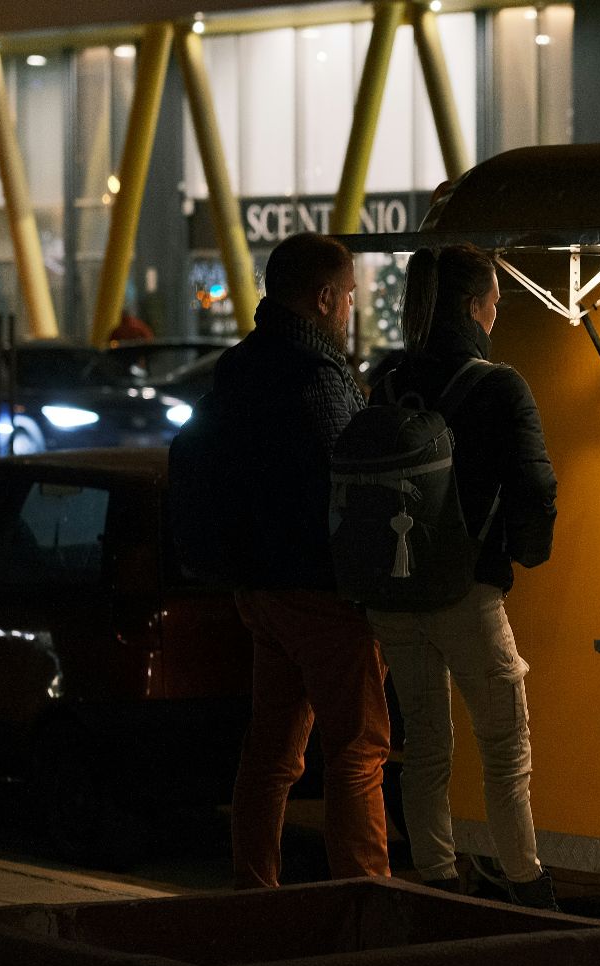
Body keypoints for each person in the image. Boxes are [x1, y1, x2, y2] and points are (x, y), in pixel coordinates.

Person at [366, 244, 560, 909]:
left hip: (393, 592)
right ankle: (528, 887)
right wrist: (527, 554)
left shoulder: (388, 379)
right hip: (465, 591)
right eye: (497, 304)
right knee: (505, 748)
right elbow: (535, 485)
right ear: (477, 306)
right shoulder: (499, 385)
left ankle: (437, 884)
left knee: (424, 744)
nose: (497, 315)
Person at [211, 232, 393, 889]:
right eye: (347, 296)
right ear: (323, 299)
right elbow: (350, 473)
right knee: (358, 751)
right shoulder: (317, 376)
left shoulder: (237, 366)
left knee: (271, 754)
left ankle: (254, 891)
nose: (350, 308)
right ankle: (364, 895)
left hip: (258, 589)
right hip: (321, 591)